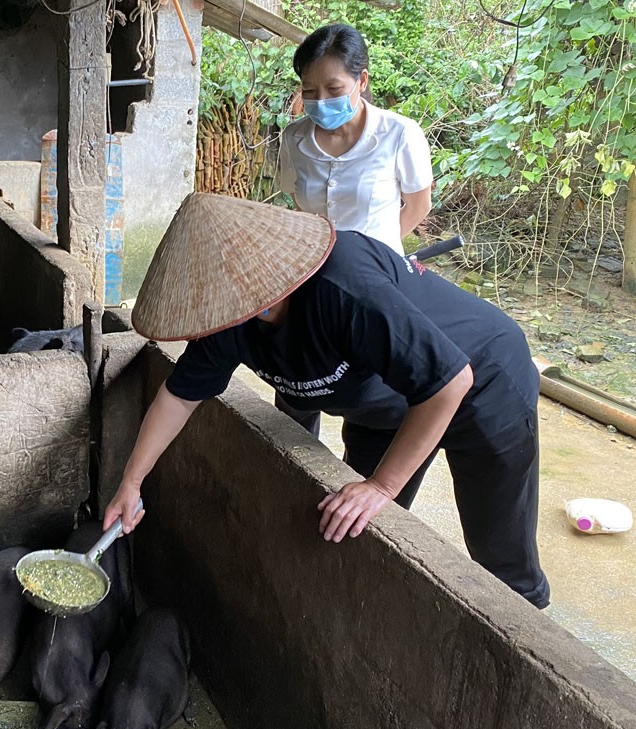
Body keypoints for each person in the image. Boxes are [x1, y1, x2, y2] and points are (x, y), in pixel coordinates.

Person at [105, 195, 550, 610]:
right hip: (386, 406)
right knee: (354, 526)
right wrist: (131, 482)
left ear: (259, 290)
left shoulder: (343, 286)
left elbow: (450, 382)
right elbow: (181, 396)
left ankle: (531, 631)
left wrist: (381, 487)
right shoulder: (227, 316)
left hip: (483, 383)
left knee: (498, 552)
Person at [278, 23, 433, 258]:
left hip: (378, 271)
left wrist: (375, 253)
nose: (321, 100)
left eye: (334, 88)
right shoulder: (294, 138)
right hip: (314, 269)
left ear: (362, 81)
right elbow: (297, 201)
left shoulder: (399, 134)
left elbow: (419, 206)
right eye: (309, 91)